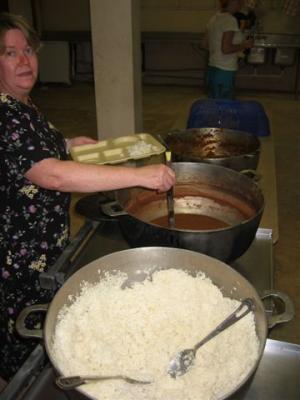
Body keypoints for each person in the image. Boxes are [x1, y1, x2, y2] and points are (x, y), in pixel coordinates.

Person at [0, 12, 175, 382]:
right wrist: (139, 175)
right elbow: (53, 175)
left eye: (27, 50)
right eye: (9, 53)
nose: (24, 60)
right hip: (18, 257)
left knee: (47, 322)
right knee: (28, 346)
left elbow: (31, 152)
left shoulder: (21, 104)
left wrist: (67, 143)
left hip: (41, 245)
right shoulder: (5, 113)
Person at [204, 0, 254, 99]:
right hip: (225, 71)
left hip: (212, 70)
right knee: (225, 107)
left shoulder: (213, 19)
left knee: (213, 106)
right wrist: (245, 45)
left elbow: (203, 44)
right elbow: (226, 49)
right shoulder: (230, 20)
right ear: (232, 2)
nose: (241, 4)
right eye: (240, 2)